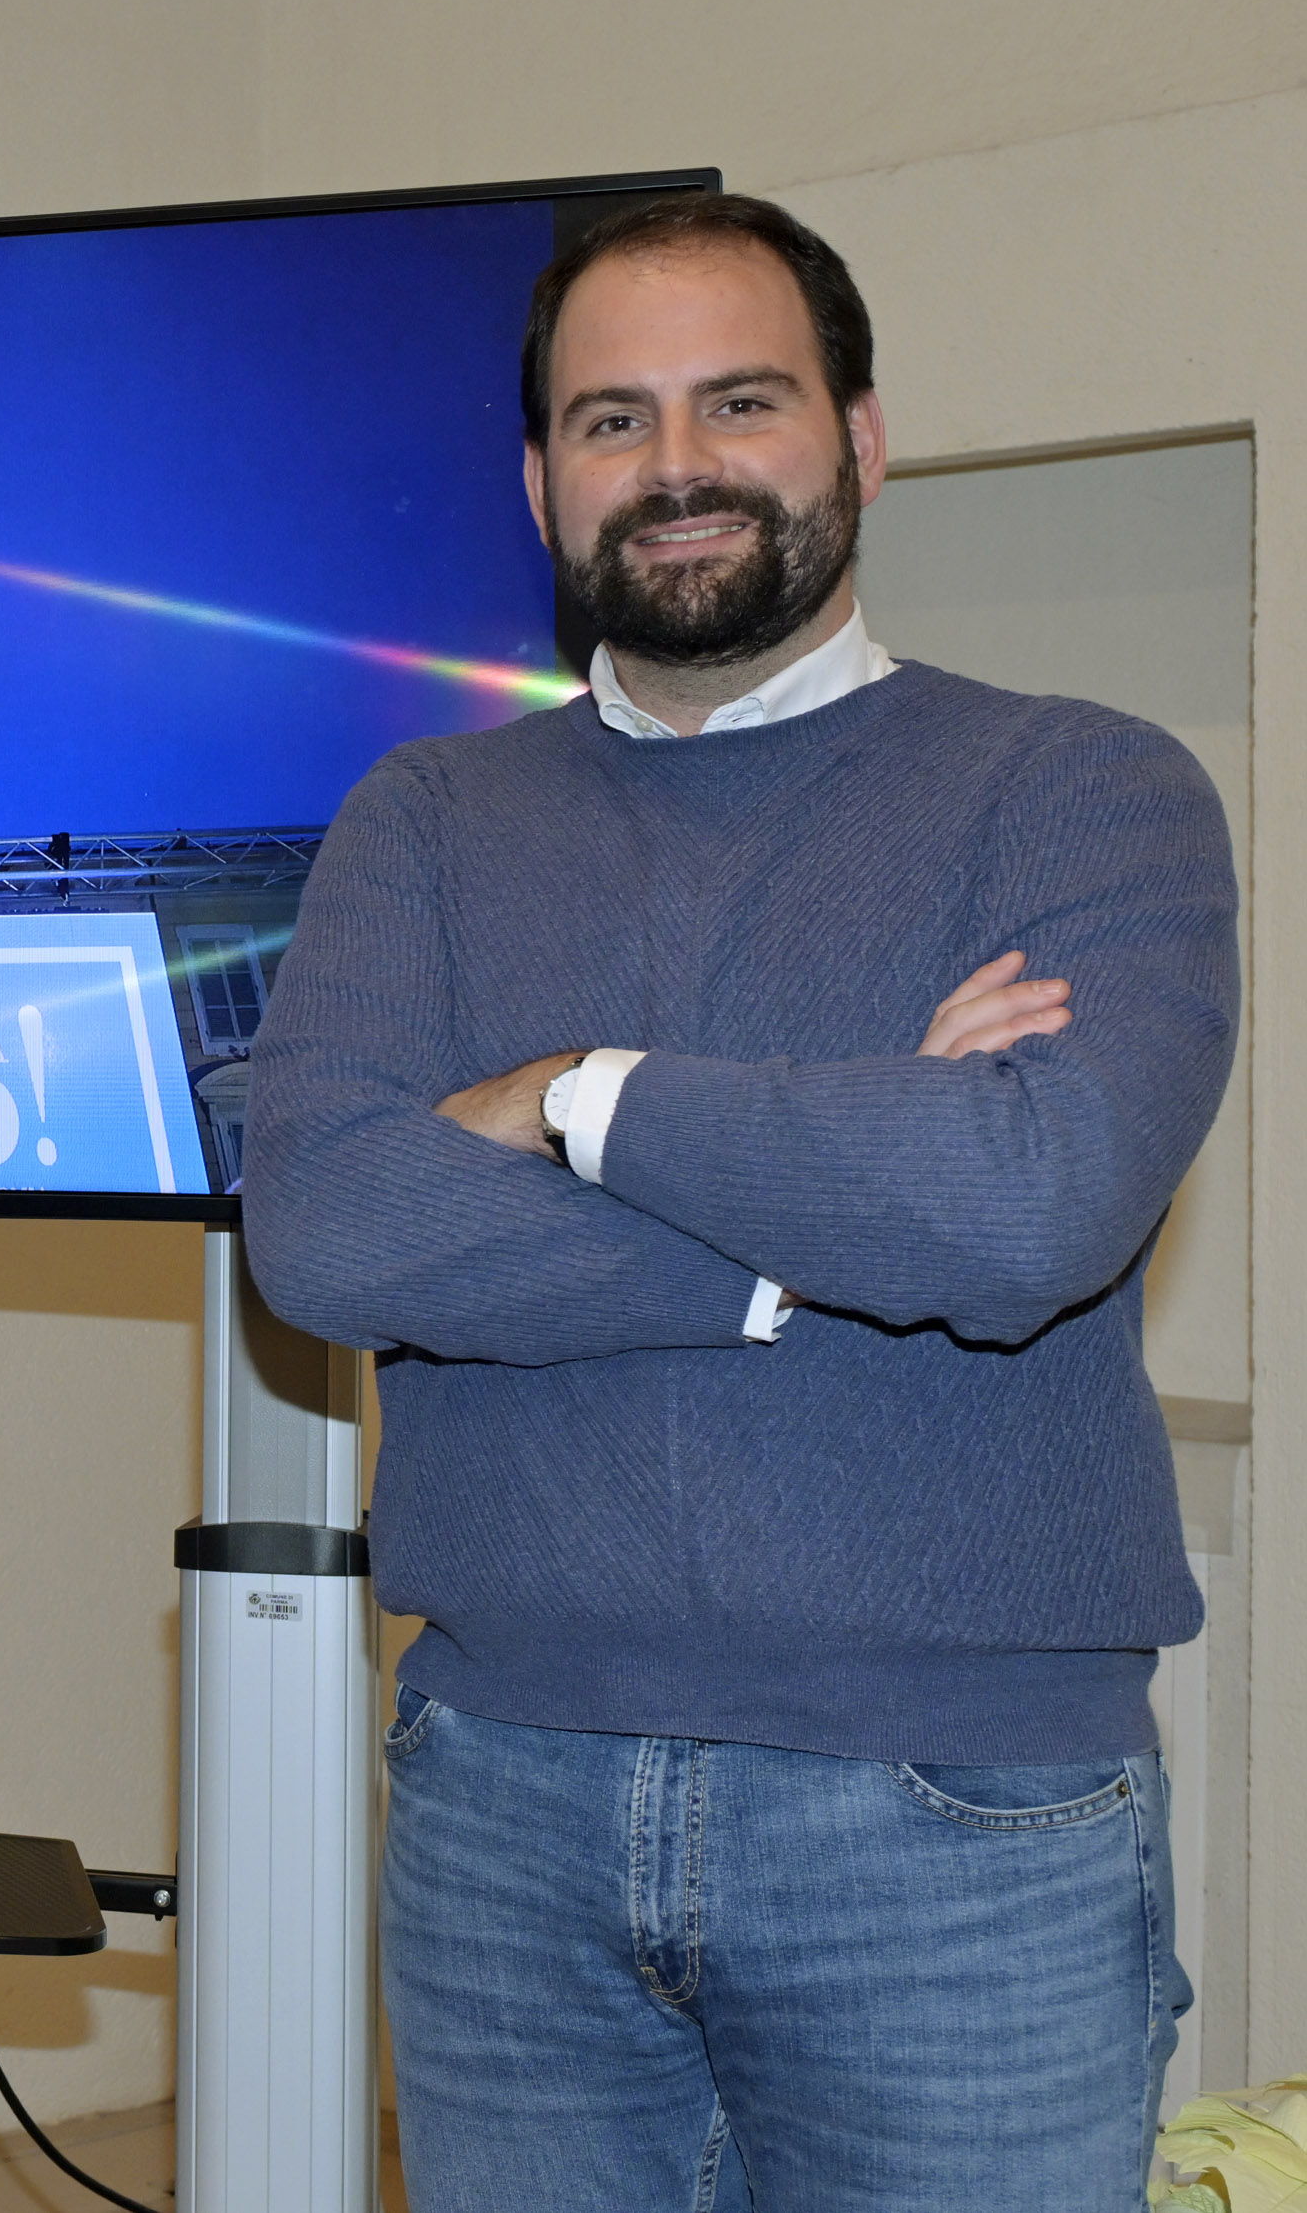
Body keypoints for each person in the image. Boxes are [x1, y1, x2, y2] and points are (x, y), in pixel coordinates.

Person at [244, 194, 1233, 2209]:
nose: (674, 463)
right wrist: (832, 1196)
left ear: (857, 438)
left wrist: (567, 1095)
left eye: (739, 401)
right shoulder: (418, 821)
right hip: (498, 1799)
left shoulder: (1083, 789)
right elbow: (325, 1229)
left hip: (959, 1822)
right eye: (609, 418)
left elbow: (1026, 1207)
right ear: (539, 481)